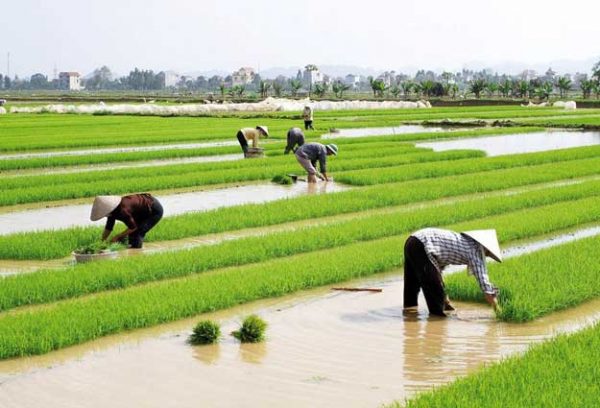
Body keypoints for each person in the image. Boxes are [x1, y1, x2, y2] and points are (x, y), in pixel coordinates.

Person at [403, 228, 502, 316]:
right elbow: (486, 288)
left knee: (411, 286)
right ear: (487, 249)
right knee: (435, 294)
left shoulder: (466, 241)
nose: (487, 256)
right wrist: (498, 310)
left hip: (412, 241)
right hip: (422, 245)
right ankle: (437, 325)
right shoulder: (475, 253)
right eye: (489, 254)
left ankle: (409, 314)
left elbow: (436, 270)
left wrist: (446, 300)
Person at [90, 193, 164, 249]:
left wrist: (118, 237)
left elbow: (133, 227)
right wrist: (102, 241)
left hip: (154, 210)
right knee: (131, 235)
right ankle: (132, 247)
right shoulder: (111, 211)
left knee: (138, 232)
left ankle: (136, 254)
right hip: (141, 211)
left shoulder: (122, 210)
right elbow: (109, 227)